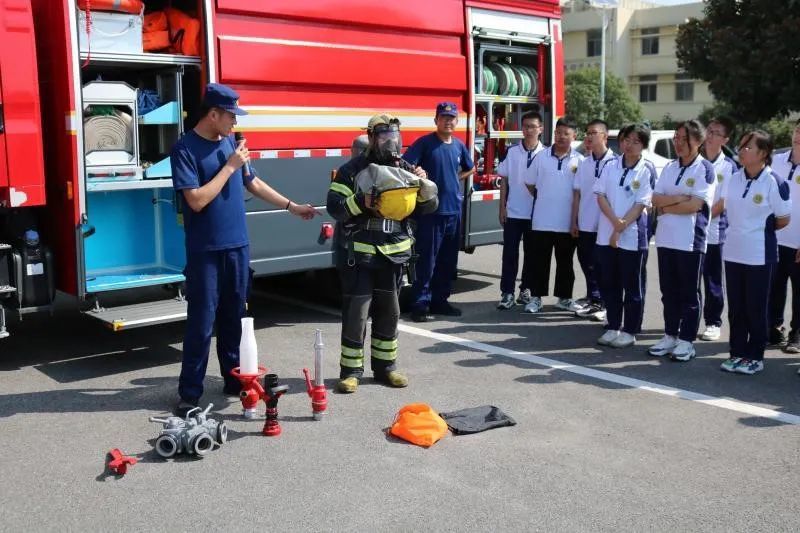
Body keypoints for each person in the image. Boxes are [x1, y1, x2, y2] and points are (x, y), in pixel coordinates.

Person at [171, 83, 317, 415]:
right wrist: (230, 166)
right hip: (206, 250)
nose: (236, 123)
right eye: (231, 116)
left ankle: (234, 380)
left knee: (234, 319)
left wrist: (291, 205)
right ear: (213, 114)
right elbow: (195, 201)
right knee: (201, 322)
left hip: (238, 246)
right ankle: (189, 393)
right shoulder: (185, 149)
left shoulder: (232, 144)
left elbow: (252, 182)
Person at [327, 114, 438, 393]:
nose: (390, 142)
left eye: (394, 136)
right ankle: (351, 371)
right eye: (384, 136)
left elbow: (428, 207)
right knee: (357, 313)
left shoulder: (407, 168)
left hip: (394, 253)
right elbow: (335, 207)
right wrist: (360, 201)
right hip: (361, 253)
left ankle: (386, 367)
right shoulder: (352, 170)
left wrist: (423, 186)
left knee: (390, 312)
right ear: (372, 137)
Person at [720, 130, 790, 375]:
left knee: (756, 308)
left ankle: (755, 356)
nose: (742, 151)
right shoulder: (733, 178)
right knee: (737, 307)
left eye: (748, 147)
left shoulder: (774, 181)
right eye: (741, 146)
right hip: (733, 252)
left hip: (760, 254)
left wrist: (758, 230)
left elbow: (783, 219)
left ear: (763, 153)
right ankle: (737, 352)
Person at [648, 120, 715, 361]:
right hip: (666, 238)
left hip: (690, 241)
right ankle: (670, 336)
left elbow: (695, 205)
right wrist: (678, 200)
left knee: (689, 293)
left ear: (697, 141)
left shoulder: (704, 168)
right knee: (669, 292)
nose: (677, 142)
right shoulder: (669, 167)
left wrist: (669, 203)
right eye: (675, 137)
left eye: (682, 138)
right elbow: (655, 198)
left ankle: (687, 341)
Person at [402, 102, 475, 322]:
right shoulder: (425, 143)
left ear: (457, 121)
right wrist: (419, 175)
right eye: (444, 117)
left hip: (454, 211)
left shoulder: (459, 146)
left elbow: (470, 167)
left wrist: (454, 178)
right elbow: (405, 166)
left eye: (452, 118)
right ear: (436, 120)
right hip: (431, 212)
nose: (448, 121)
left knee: (448, 261)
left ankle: (440, 301)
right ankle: (420, 304)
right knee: (427, 261)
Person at [594, 124, 656, 348]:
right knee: (609, 284)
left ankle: (630, 330)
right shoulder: (610, 165)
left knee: (632, 286)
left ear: (644, 146)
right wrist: (614, 224)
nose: (629, 145)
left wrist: (620, 228)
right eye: (627, 140)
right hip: (606, 234)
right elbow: (600, 196)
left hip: (632, 237)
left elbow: (641, 204)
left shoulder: (647, 169)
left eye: (636, 141)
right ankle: (613, 326)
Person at [522, 116, 584, 313]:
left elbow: (580, 193)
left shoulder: (580, 160)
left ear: (574, 136)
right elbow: (530, 183)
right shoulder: (541, 157)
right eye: (558, 133)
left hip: (567, 222)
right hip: (542, 221)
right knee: (539, 262)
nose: (561, 137)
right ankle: (536, 298)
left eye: (566, 133)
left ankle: (564, 298)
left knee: (565, 263)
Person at [496, 111, 545, 310]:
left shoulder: (546, 154)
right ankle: (507, 293)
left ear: (540, 129)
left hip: (536, 214)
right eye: (525, 126)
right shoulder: (512, 152)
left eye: (533, 126)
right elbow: (504, 180)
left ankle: (526, 289)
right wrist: (502, 207)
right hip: (514, 212)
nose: (528, 130)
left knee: (532, 255)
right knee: (509, 254)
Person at [571, 119, 615, 321]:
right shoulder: (584, 163)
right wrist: (574, 220)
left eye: (594, 132)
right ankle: (594, 299)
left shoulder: (615, 163)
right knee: (587, 263)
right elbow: (578, 194)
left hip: (605, 225)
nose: (589, 136)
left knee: (604, 266)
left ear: (604, 136)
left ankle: (607, 302)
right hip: (586, 222)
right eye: (587, 132)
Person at [699, 117, 738, 341]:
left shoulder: (729, 166)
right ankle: (690, 318)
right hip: (691, 231)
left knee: (712, 278)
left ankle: (713, 322)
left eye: (716, 133)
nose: (710, 136)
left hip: (714, 231)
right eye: (709, 131)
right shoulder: (695, 161)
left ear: (725, 139)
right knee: (691, 278)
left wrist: (703, 217)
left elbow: (724, 201)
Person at [768, 119, 800, 353]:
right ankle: (774, 328)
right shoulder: (777, 161)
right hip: (775, 240)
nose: (798, 135)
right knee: (774, 288)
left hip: (798, 242)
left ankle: (797, 335)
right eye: (797, 130)